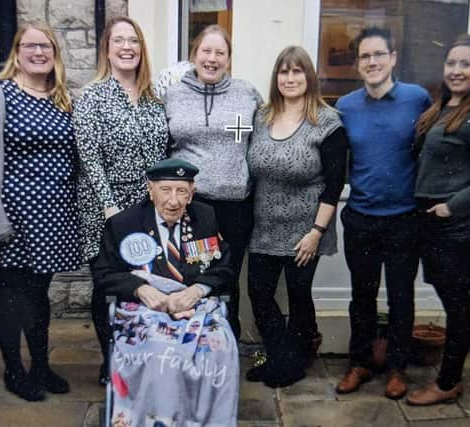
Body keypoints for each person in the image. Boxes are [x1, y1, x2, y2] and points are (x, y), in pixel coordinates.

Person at [0, 22, 80, 401]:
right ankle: (14, 369)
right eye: (31, 46)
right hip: (9, 217)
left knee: (39, 294)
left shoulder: (63, 99)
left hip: (51, 215)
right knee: (9, 294)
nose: (38, 52)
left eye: (46, 46)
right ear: (17, 51)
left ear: (55, 53)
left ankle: (40, 366)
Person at [93, 158, 238, 426]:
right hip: (146, 308)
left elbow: (224, 264)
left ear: (192, 192)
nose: (173, 201)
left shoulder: (205, 216)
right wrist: (141, 290)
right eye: (165, 190)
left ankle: (200, 418)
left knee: (219, 347)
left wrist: (198, 289)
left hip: (194, 305)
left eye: (181, 191)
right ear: (150, 190)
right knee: (159, 347)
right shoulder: (125, 223)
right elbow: (104, 274)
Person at [407, 34, 470, 405]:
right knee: (454, 302)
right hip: (438, 226)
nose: (456, 70)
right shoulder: (444, 108)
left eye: (465, 64)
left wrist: (452, 205)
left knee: (458, 307)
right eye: (451, 63)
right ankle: (449, 377)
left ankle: (448, 383)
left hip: (462, 228)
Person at [335, 27, 431, 399]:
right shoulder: (346, 106)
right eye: (364, 56)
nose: (372, 62)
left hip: (404, 218)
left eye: (379, 54)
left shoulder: (417, 99)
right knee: (361, 295)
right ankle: (359, 363)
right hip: (360, 216)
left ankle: (396, 368)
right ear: (358, 64)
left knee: (401, 297)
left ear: (393, 58)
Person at [73, 16, 168, 385]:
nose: (127, 47)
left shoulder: (153, 98)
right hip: (105, 207)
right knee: (109, 284)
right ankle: (110, 359)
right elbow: (89, 158)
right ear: (107, 50)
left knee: (144, 280)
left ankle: (138, 353)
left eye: (134, 41)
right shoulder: (92, 97)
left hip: (146, 206)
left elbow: (163, 152)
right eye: (120, 41)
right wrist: (110, 207)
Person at [245, 46, 348, 388]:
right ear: (276, 78)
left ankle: (293, 361)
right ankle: (282, 356)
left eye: (297, 71)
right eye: (284, 72)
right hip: (264, 226)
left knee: (298, 294)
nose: (290, 79)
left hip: (306, 229)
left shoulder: (327, 121)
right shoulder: (262, 117)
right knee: (259, 294)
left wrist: (317, 231)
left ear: (309, 77)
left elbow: (334, 185)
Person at [164, 25, 262, 340]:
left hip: (236, 207)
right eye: (206, 51)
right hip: (193, 207)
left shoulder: (247, 93)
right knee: (196, 277)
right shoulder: (174, 94)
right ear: (194, 54)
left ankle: (225, 349)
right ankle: (194, 345)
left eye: (220, 53)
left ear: (229, 59)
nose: (212, 59)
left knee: (229, 281)